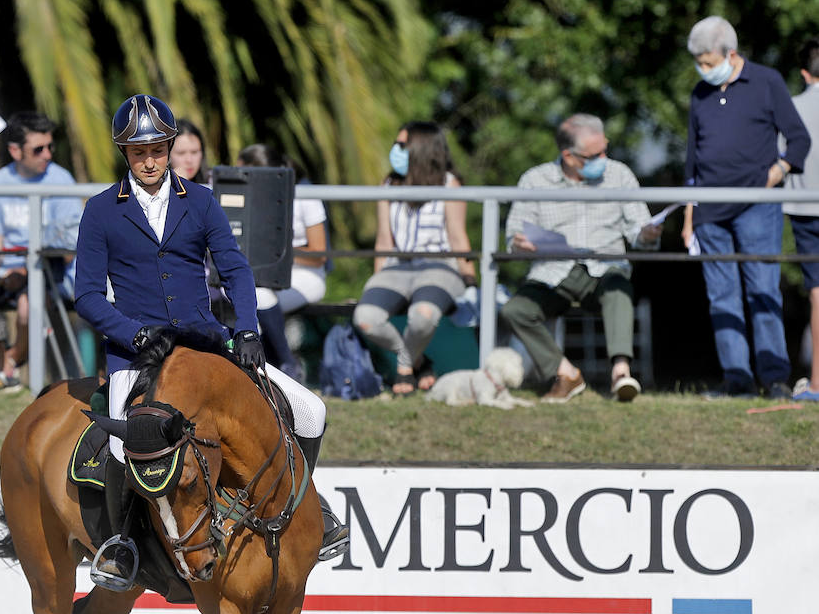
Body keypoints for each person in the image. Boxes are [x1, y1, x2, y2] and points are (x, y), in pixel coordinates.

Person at [74, 94, 348, 588]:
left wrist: (246, 330)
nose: (151, 160)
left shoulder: (199, 201)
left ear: (169, 146)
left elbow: (236, 270)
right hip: (138, 352)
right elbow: (88, 296)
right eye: (139, 152)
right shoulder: (100, 211)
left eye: (158, 148)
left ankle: (310, 504)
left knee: (310, 411)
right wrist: (132, 333)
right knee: (122, 449)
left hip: (204, 342)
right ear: (125, 153)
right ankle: (124, 542)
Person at [682, 15, 810, 399]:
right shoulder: (699, 95)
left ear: (730, 54)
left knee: (763, 288)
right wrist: (689, 216)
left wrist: (776, 172)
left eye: (708, 62)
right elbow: (692, 162)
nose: (702, 70)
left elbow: (799, 140)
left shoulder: (767, 82)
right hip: (709, 212)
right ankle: (736, 381)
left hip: (757, 207)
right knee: (721, 295)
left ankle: (774, 378)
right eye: (699, 63)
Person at [501, 114, 661, 403]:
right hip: (552, 271)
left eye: (605, 149)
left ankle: (621, 374)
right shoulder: (534, 180)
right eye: (595, 155)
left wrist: (648, 236)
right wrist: (519, 244)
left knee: (618, 288)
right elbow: (513, 235)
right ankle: (566, 374)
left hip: (604, 268)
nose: (604, 158)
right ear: (568, 156)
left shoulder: (620, 174)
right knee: (515, 311)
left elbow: (638, 230)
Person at [0, 111, 82, 393]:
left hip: (50, 272)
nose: (47, 154)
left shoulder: (61, 181)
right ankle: (4, 368)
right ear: (14, 151)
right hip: (8, 272)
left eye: (50, 146)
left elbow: (69, 251)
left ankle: (4, 368)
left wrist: (25, 272)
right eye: (39, 149)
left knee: (29, 306)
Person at [353, 121, 473, 395]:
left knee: (423, 315)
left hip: (440, 266)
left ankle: (405, 367)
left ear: (422, 148)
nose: (395, 150)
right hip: (397, 267)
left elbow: (458, 237)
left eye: (402, 145)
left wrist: (471, 281)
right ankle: (417, 362)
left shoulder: (449, 184)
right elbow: (384, 240)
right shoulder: (389, 184)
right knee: (365, 317)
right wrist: (375, 280)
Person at [236, 143, 328, 380]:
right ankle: (264, 374)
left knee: (260, 297)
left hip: (303, 274)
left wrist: (278, 253)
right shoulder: (243, 199)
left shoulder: (304, 195)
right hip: (259, 276)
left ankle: (288, 364)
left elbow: (319, 255)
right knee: (250, 306)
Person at [784, 38, 819, 402]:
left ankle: (817, 383)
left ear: (803, 72)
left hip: (805, 210)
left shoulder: (791, 108)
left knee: (817, 295)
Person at [169, 119, 207, 183]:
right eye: (181, 153)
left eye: (194, 152)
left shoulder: (215, 183)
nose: (189, 160)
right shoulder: (156, 188)